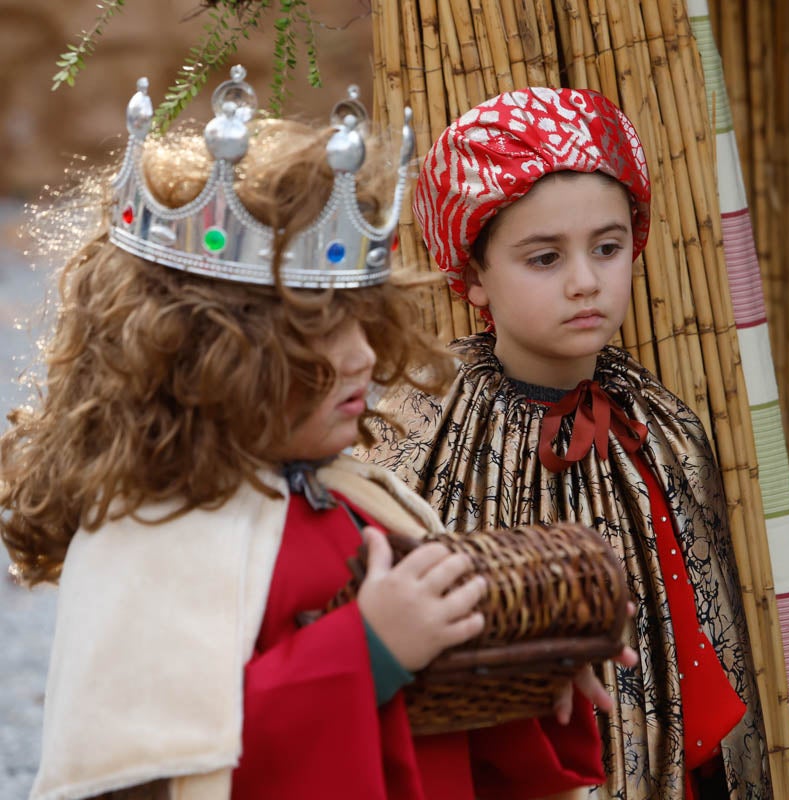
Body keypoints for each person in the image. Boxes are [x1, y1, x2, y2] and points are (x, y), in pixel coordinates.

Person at [0, 69, 624, 800]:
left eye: (363, 322)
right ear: (213, 357)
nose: (363, 356)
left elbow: (440, 734)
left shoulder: (361, 498)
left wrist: (519, 667)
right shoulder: (153, 539)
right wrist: (369, 651)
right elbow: (164, 775)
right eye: (321, 336)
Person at [361, 86, 770, 800]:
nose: (587, 282)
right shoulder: (421, 429)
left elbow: (710, 629)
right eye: (544, 259)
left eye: (608, 248)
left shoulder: (664, 426)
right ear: (475, 275)